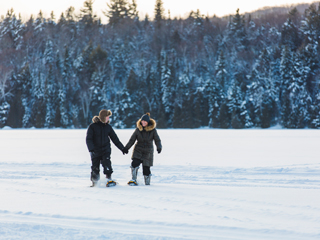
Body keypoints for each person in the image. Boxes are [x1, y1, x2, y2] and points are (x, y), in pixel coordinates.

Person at [86, 109, 126, 187]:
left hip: (105, 150)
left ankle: (109, 179)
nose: (109, 118)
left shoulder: (108, 127)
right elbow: (88, 139)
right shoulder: (93, 126)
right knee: (95, 167)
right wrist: (91, 150)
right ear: (103, 117)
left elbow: (115, 139)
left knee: (107, 164)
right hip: (95, 151)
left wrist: (122, 148)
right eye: (108, 117)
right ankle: (95, 183)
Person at [122, 113, 162, 185]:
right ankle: (133, 180)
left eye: (145, 121)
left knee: (146, 168)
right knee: (134, 163)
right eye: (142, 121)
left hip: (148, 151)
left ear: (148, 122)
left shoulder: (153, 130)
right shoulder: (138, 130)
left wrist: (159, 147)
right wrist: (126, 148)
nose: (143, 122)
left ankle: (147, 183)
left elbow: (157, 140)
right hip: (138, 150)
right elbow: (132, 140)